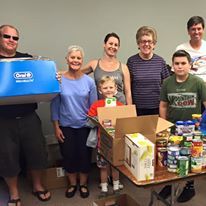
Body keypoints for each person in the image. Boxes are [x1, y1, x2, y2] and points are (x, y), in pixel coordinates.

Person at [0, 25, 51, 206]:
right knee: (7, 157)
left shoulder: (27, 60)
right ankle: (14, 194)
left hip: (29, 116)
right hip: (3, 120)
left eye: (15, 38)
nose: (11, 40)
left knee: (37, 153)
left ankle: (38, 186)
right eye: (7, 36)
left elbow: (41, 82)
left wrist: (53, 79)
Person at [159, 50, 206, 203]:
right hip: (173, 130)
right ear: (172, 66)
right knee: (172, 157)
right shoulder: (167, 83)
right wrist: (164, 126)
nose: (180, 66)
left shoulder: (198, 83)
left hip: (194, 131)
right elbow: (164, 105)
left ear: (190, 65)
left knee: (191, 158)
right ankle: (169, 185)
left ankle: (189, 187)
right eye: (177, 64)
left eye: (183, 63)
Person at [51, 45, 97, 199]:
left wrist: (94, 128)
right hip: (66, 126)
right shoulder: (59, 80)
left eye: (78, 58)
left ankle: (83, 184)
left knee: (84, 156)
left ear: (81, 60)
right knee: (69, 156)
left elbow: (93, 108)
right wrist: (56, 127)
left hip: (85, 126)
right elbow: (55, 106)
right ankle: (72, 184)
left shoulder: (89, 82)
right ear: (67, 59)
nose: (75, 60)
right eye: (72, 57)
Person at [88, 76, 123, 197]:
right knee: (103, 167)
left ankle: (117, 186)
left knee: (116, 166)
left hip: (116, 142)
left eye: (111, 87)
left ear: (116, 89)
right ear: (100, 90)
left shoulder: (119, 105)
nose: (108, 90)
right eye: (105, 88)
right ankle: (104, 188)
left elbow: (125, 121)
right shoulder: (96, 105)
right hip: (102, 142)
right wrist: (98, 118)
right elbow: (89, 120)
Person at [127, 26, 169, 116]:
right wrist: (130, 109)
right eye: (143, 41)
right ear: (138, 44)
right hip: (137, 110)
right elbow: (127, 88)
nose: (146, 44)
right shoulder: (131, 61)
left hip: (157, 109)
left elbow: (167, 86)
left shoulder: (160, 61)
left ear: (154, 44)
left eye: (149, 41)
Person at [82, 32, 132, 105]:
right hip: (101, 108)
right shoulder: (94, 64)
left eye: (116, 45)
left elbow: (128, 92)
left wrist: (130, 111)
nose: (113, 46)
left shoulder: (123, 67)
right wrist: (60, 74)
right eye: (110, 43)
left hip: (120, 107)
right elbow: (75, 73)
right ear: (104, 44)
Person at [176, 16, 206, 82]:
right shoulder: (181, 49)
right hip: (188, 87)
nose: (196, 32)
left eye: (199, 29)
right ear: (188, 31)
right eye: (193, 29)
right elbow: (177, 72)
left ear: (203, 30)